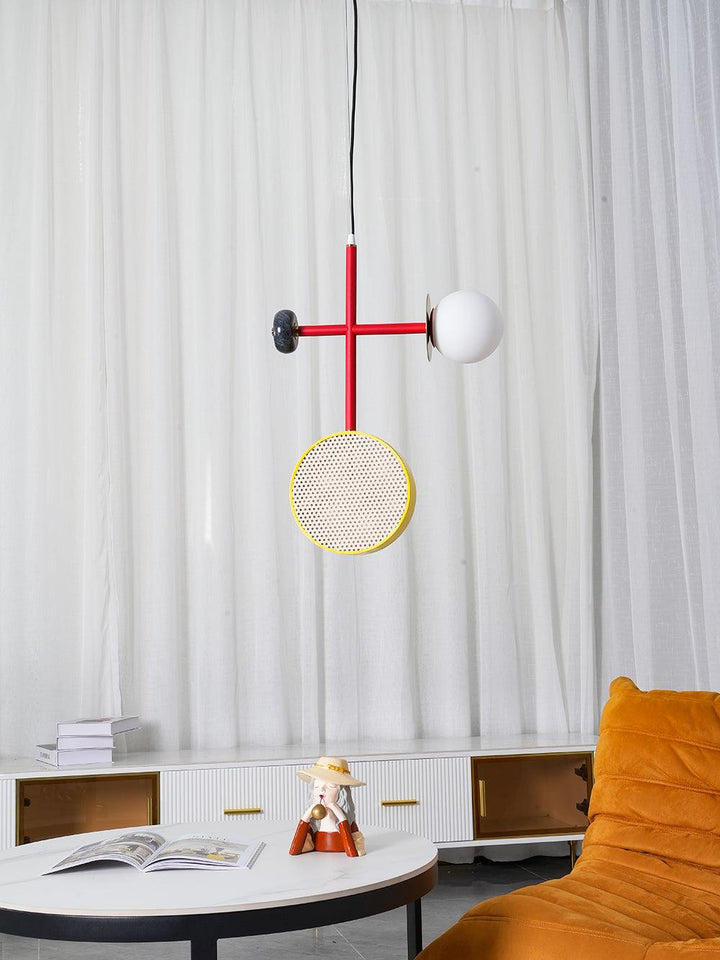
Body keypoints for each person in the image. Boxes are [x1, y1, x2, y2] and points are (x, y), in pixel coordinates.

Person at [288, 756, 366, 857]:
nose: (322, 790)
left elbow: (352, 852)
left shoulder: (350, 822)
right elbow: (294, 850)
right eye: (317, 786)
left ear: (342, 793)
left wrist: (340, 815)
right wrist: (307, 815)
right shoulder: (314, 823)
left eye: (331, 786)